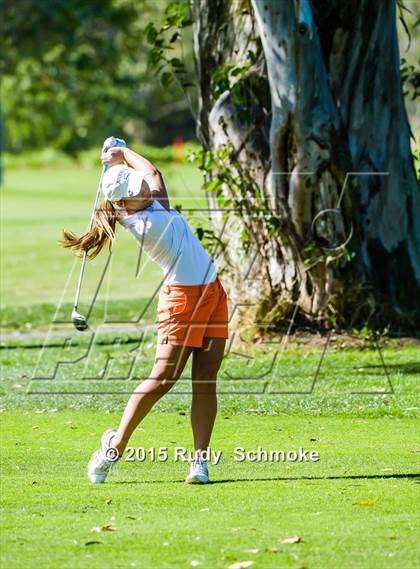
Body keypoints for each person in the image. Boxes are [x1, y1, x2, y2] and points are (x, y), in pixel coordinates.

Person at [60, 144, 229, 484]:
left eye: (137, 185)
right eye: (133, 192)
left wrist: (121, 155)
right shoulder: (149, 220)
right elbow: (155, 175)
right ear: (123, 206)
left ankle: (199, 462)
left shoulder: (143, 204)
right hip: (181, 301)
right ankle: (114, 447)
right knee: (163, 379)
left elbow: (149, 176)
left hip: (212, 292)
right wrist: (122, 151)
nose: (142, 190)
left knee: (205, 380)